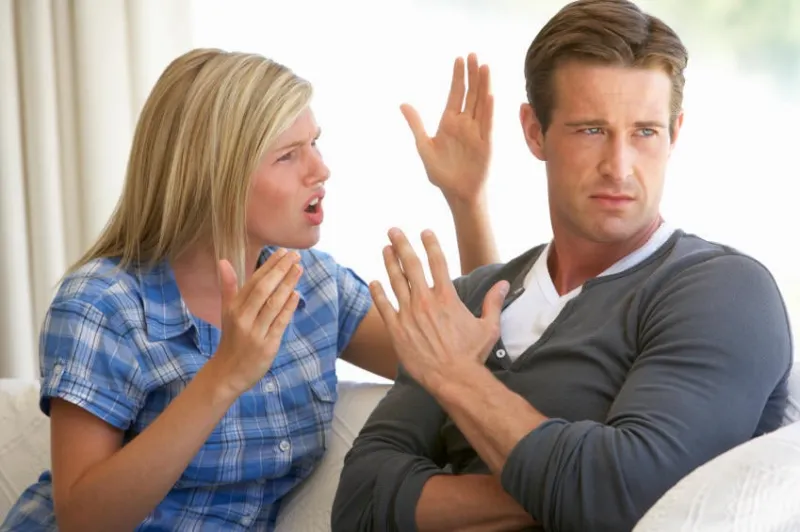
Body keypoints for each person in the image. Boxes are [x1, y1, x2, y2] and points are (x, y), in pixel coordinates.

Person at [331, 1, 794, 531]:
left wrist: (457, 378)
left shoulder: (723, 292)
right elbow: (358, 506)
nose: (619, 167)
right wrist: (563, 488)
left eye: (645, 132)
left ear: (675, 134)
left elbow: (629, 501)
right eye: (591, 130)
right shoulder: (469, 298)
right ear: (534, 132)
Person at [0, 48, 499, 531]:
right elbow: (83, 520)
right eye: (288, 156)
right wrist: (224, 376)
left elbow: (469, 363)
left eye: (315, 143)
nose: (320, 170)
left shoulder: (313, 285)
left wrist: (466, 200)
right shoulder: (102, 303)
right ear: (214, 175)